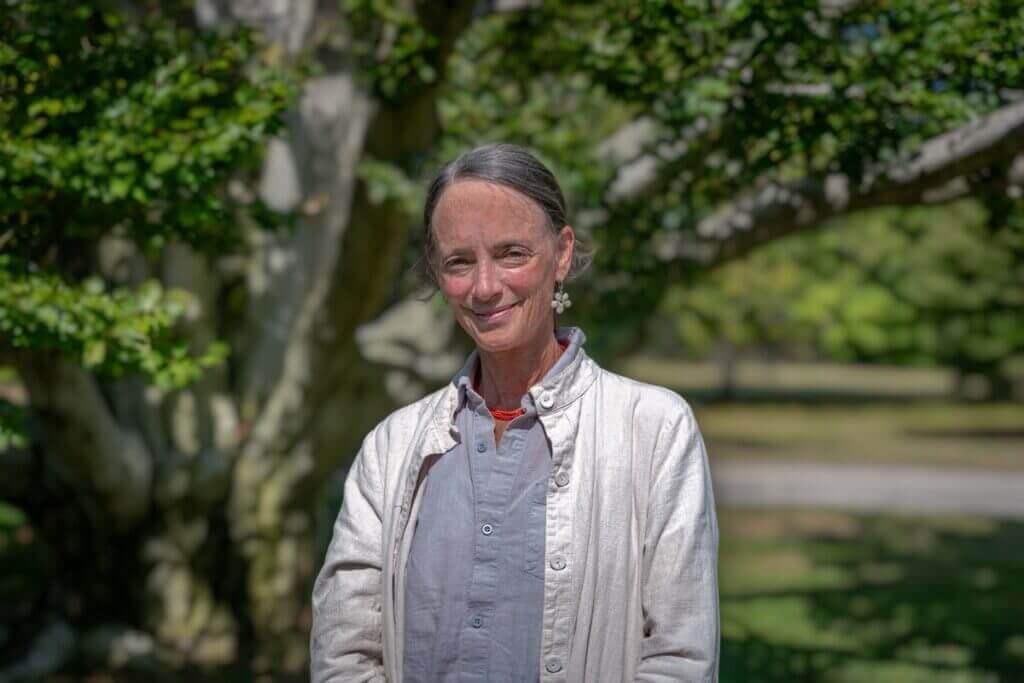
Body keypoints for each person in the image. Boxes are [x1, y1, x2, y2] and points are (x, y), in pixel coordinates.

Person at [311, 143, 719, 682]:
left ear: (563, 253)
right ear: (437, 273)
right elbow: (345, 652)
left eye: (512, 254)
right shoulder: (392, 447)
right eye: (459, 262)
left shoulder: (653, 429)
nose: (484, 287)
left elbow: (680, 658)